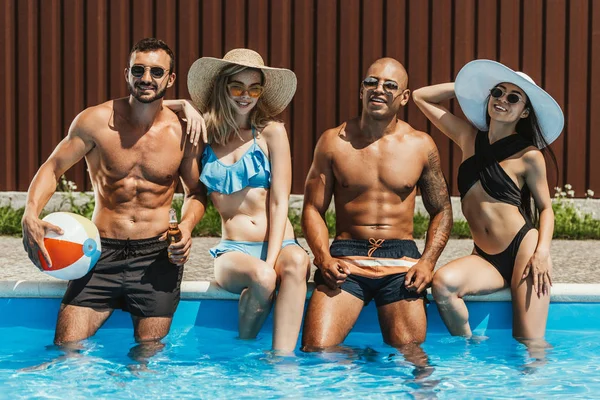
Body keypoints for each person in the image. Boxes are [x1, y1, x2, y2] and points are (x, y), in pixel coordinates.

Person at [21, 38, 206, 352]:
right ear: (127, 74)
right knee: (66, 348)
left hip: (156, 256)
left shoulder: (183, 131)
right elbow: (53, 167)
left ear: (170, 79)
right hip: (100, 253)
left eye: (156, 72)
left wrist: (186, 228)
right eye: (139, 70)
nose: (146, 78)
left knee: (147, 356)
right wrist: (30, 212)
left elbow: (196, 192)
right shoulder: (95, 122)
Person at [300, 58, 453, 356]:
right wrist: (322, 258)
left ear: (405, 97)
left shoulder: (421, 145)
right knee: (316, 351)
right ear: (361, 90)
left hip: (401, 263)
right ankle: (364, 360)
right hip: (346, 260)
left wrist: (427, 262)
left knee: (413, 358)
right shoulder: (333, 142)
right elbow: (312, 208)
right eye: (371, 82)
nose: (379, 89)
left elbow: (442, 210)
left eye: (390, 85)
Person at [412, 59, 563, 341]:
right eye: (497, 93)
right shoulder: (468, 137)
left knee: (529, 343)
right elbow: (421, 97)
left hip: (524, 250)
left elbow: (546, 209)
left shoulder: (529, 156)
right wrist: (470, 88)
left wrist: (542, 252)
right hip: (484, 257)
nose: (502, 100)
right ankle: (472, 349)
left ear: (524, 112)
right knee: (443, 285)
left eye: (513, 98)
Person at [180, 49, 310, 353]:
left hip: (280, 243)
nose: (245, 96)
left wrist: (271, 258)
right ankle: (243, 354)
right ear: (222, 87)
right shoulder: (204, 136)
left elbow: (279, 202)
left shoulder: (273, 133)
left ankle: (282, 362)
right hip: (233, 250)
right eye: (237, 86)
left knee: (297, 262)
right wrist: (181, 104)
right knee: (263, 278)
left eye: (254, 88)